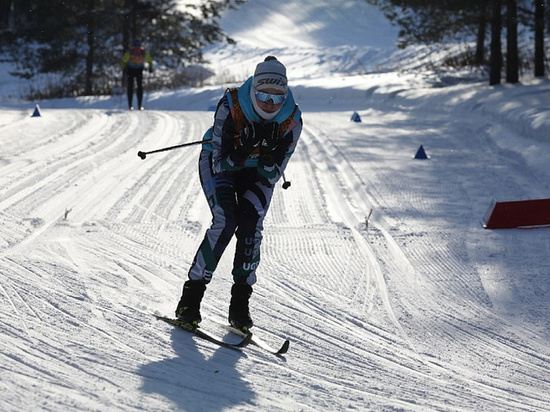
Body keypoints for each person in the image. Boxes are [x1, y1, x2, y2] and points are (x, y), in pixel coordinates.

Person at [175, 56, 303, 332]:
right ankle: (190, 300)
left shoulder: (292, 121)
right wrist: (244, 148)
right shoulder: (232, 106)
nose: (269, 103)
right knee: (225, 221)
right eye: (262, 95)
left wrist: (269, 153)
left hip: (256, 172)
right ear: (253, 89)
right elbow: (220, 163)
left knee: (250, 226)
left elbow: (274, 173)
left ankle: (240, 306)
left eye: (277, 98)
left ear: (286, 95)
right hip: (220, 164)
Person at [121, 39, 153, 110]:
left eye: (138, 46)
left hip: (139, 69)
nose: (137, 48)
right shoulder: (129, 52)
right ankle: (130, 105)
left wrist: (150, 67)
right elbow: (124, 60)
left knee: (139, 87)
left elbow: (149, 60)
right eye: (135, 46)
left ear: (140, 46)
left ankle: (139, 105)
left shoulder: (144, 52)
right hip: (130, 69)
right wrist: (123, 68)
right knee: (130, 87)